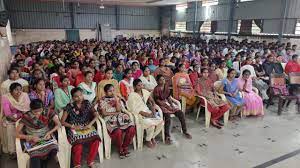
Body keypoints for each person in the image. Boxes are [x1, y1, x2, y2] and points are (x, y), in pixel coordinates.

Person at [61, 87, 101, 168]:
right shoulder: (69, 106)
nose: (79, 97)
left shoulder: (87, 103)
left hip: (87, 126)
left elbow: (96, 115)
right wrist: (73, 126)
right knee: (78, 143)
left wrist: (90, 124)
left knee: (96, 139)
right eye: (76, 96)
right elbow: (62, 122)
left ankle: (90, 161)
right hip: (74, 128)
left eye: (81, 95)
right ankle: (77, 164)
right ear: (73, 98)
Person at [16, 99, 60, 168]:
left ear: (43, 108)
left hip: (46, 137)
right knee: (35, 158)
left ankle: (44, 162)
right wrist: (30, 137)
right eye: (35, 112)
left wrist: (49, 132)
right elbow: (16, 134)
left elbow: (58, 124)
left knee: (54, 149)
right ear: (31, 110)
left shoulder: (47, 112)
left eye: (40, 110)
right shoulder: (26, 116)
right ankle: (42, 163)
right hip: (33, 140)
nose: (38, 113)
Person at [98, 84, 135, 158]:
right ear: (105, 92)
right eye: (109, 91)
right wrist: (115, 113)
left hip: (120, 117)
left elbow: (119, 110)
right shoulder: (102, 100)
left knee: (131, 128)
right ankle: (120, 148)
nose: (112, 92)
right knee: (118, 131)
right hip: (109, 119)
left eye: (113, 90)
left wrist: (116, 99)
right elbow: (104, 113)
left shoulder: (117, 98)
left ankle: (125, 146)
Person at [153, 75, 192, 144]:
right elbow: (157, 101)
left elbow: (168, 97)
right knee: (167, 117)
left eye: (163, 80)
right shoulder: (156, 89)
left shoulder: (166, 87)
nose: (162, 81)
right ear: (157, 81)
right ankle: (167, 136)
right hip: (160, 105)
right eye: (160, 80)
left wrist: (171, 105)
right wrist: (167, 106)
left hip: (167, 103)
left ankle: (185, 131)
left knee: (180, 113)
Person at [127, 79, 164, 149]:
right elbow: (132, 109)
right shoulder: (132, 95)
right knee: (151, 126)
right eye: (139, 85)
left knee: (161, 122)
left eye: (141, 85)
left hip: (147, 111)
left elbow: (152, 100)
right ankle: (148, 140)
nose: (141, 86)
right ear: (134, 87)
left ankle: (151, 137)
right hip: (138, 114)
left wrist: (153, 107)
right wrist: (145, 114)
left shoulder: (144, 91)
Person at [1, 83, 30, 157]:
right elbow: (7, 114)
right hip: (11, 119)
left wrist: (22, 120)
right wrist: (16, 121)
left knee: (27, 127)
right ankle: (13, 151)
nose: (19, 92)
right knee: (11, 128)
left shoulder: (24, 95)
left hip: (23, 118)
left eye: (20, 89)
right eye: (16, 90)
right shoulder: (5, 97)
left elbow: (27, 110)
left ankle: (26, 148)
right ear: (11, 91)